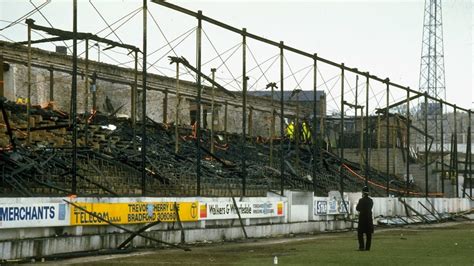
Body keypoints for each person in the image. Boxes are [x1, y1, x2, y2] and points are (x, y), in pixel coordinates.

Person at [356, 186, 374, 251]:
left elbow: (357, 208)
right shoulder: (371, 201)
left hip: (362, 218)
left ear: (363, 193)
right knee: (369, 234)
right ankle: (368, 247)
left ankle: (361, 247)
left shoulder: (361, 200)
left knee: (360, 233)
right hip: (369, 218)